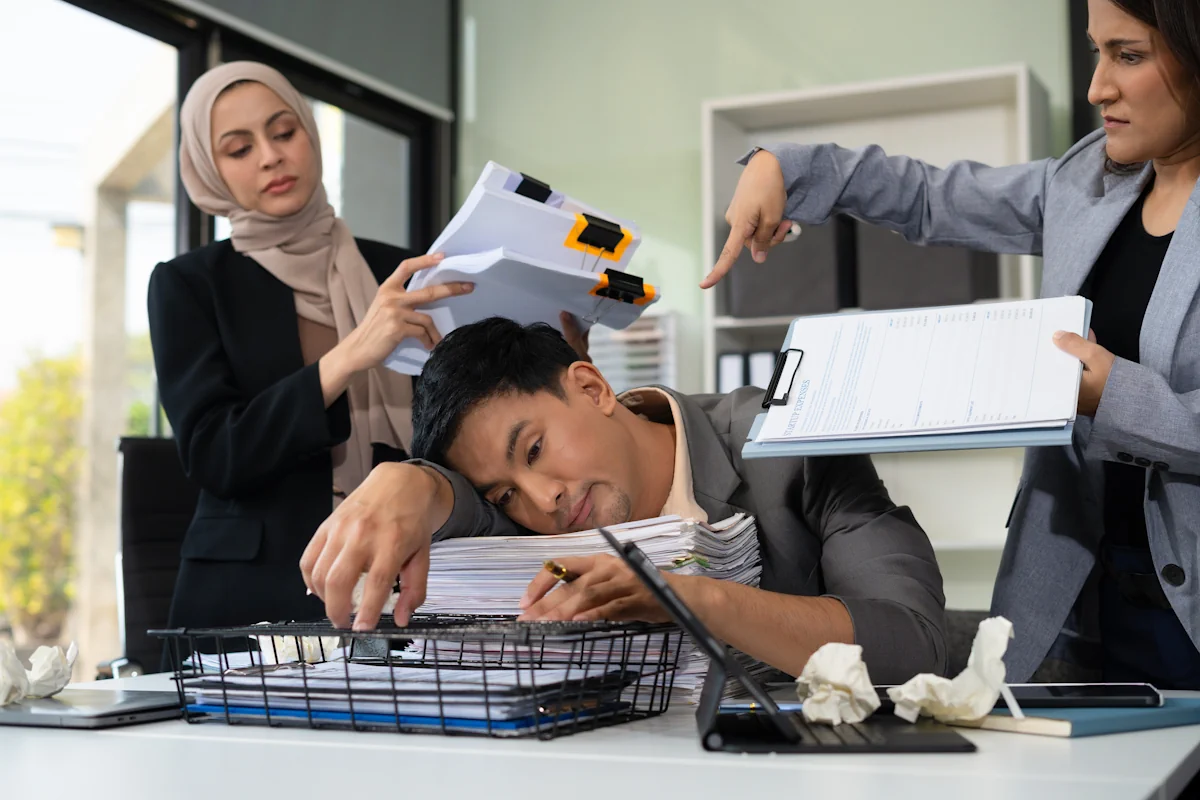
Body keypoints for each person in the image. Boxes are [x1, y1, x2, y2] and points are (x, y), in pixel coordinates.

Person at [702, 0, 1200, 687]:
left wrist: (1112, 395)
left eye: (1130, 55)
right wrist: (785, 165)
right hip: (1077, 595)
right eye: (1096, 52)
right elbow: (931, 199)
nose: (1098, 87)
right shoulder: (1087, 181)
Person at [149, 62, 587, 628]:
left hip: (417, 579)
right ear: (210, 171)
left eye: (285, 133)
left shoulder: (403, 267)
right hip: (255, 598)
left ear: (310, 134)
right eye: (239, 148)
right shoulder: (190, 285)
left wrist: (564, 354)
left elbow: (471, 420)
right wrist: (354, 352)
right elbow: (216, 455)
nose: (270, 156)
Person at [301, 318, 946, 683]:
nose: (542, 501)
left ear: (589, 385)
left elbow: (916, 647)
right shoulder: (528, 513)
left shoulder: (788, 443)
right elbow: (458, 506)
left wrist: (690, 599)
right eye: (506, 492)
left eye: (532, 450)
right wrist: (407, 480)